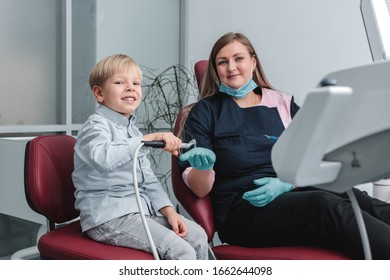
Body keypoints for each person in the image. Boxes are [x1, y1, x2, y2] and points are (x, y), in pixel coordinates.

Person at [178, 32, 390, 259]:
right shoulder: (204, 112)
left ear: (253, 61)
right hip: (244, 210)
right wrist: (204, 167)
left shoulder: (282, 102)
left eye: (238, 58)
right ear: (215, 68)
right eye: (223, 62)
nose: (231, 67)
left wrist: (287, 183)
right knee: (327, 206)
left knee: (363, 201)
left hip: (296, 190)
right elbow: (199, 189)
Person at [72, 54, 208, 260]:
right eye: (120, 82)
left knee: (198, 236)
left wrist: (169, 211)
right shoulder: (95, 126)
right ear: (99, 93)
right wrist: (146, 140)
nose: (130, 87)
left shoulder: (133, 132)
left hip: (141, 212)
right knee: (181, 251)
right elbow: (103, 158)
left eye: (136, 83)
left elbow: (148, 181)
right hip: (109, 217)